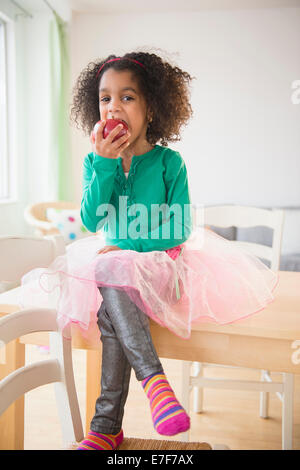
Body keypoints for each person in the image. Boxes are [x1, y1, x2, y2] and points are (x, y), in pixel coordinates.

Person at [19, 51, 278, 451]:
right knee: (110, 307)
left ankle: (113, 420)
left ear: (151, 108)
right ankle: (133, 404)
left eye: (127, 97)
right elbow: (92, 219)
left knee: (113, 276)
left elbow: (178, 229)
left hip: (162, 270)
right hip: (113, 277)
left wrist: (127, 247)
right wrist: (104, 164)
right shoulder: (96, 161)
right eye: (105, 99)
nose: (113, 107)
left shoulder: (169, 163)